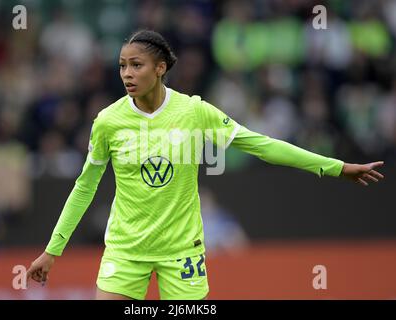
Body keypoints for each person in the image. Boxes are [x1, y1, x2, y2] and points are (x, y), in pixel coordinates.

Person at [26, 30, 385, 300]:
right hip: (125, 249)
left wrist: (334, 166)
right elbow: (84, 186)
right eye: (122, 66)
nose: (127, 74)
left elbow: (260, 145)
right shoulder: (108, 121)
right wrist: (52, 250)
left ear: (160, 68)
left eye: (136, 65)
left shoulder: (194, 111)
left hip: (182, 251)